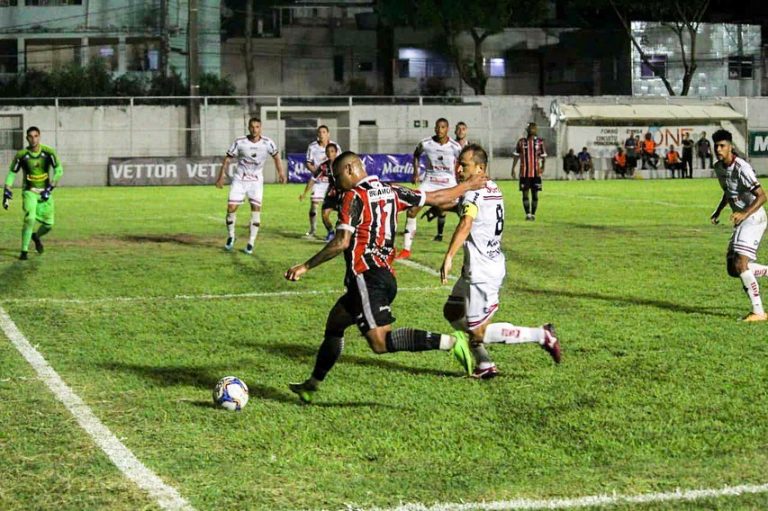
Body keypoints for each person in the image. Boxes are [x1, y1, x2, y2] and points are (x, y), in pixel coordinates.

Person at [285, 151, 489, 403]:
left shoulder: (353, 196)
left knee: (380, 343)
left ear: (350, 170)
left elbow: (341, 242)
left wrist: (305, 266)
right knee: (335, 324)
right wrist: (467, 185)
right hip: (384, 277)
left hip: (367, 276)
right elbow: (436, 198)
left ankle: (450, 342)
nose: (335, 184)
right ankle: (312, 384)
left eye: (336, 178)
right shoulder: (391, 190)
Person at [441, 144, 561, 379]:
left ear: (480, 167)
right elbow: (464, 207)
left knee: (478, 332)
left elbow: (466, 223)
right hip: (485, 263)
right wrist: (439, 207)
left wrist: (448, 257)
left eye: (464, 165)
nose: (458, 168)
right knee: (452, 311)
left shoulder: (472, 193)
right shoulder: (492, 186)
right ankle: (484, 364)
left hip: (482, 270)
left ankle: (541, 335)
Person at [709, 129, 768, 322]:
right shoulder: (719, 167)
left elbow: (762, 196)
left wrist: (744, 213)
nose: (718, 149)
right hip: (743, 219)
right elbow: (729, 191)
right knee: (733, 269)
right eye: (716, 145)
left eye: (722, 145)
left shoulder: (742, 167)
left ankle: (758, 311)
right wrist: (718, 210)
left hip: (754, 217)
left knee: (741, 264)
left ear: (730, 147)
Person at [216, 117, 286, 255]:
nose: (255, 129)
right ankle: (231, 236)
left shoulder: (267, 143)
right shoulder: (240, 142)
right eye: (252, 127)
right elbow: (228, 158)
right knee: (231, 208)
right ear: (248, 128)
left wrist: (281, 173)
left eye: (257, 127)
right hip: (240, 180)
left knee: (256, 210)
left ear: (261, 128)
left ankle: (251, 243)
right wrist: (221, 176)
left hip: (256, 182)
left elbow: (277, 157)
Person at [398, 118, 462, 258]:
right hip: (429, 181)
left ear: (447, 129)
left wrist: (460, 175)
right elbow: (416, 154)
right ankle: (406, 249)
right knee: (412, 210)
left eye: (443, 127)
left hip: (448, 182)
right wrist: (416, 173)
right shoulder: (426, 143)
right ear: (434, 128)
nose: (440, 130)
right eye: (438, 127)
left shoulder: (455, 146)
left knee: (463, 210)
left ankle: (467, 242)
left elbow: (462, 161)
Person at [4, 126, 63, 260]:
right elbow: (12, 173)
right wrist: (7, 189)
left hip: (45, 193)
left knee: (49, 224)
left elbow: (59, 170)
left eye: (36, 136)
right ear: (27, 138)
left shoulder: (48, 152)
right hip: (29, 191)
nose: (33, 139)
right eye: (30, 136)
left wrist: (50, 187)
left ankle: (35, 236)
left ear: (39, 136)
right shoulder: (22, 155)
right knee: (30, 218)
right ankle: (24, 251)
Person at [303, 125, 340, 238]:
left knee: (339, 207)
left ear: (328, 134)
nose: (322, 134)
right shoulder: (312, 147)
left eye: (324, 132)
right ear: (317, 135)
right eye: (320, 132)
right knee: (314, 205)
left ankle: (339, 230)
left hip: (332, 182)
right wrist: (317, 172)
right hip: (319, 181)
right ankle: (313, 230)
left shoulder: (335, 147)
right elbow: (308, 163)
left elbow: (340, 162)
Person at [511, 122, 547, 220]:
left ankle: (533, 214)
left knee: (535, 195)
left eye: (534, 128)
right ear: (527, 130)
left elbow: (543, 156)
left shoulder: (540, 142)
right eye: (530, 128)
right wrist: (513, 168)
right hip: (524, 173)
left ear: (536, 130)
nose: (532, 130)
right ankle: (528, 214)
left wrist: (543, 167)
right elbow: (516, 156)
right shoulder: (521, 142)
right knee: (525, 194)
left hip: (536, 173)